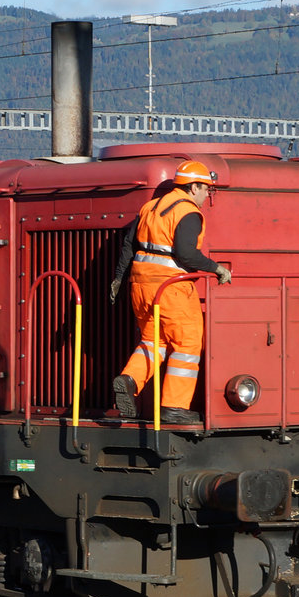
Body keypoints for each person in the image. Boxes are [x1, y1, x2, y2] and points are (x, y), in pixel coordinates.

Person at [110, 160, 232, 425]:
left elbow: (129, 245)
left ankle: (129, 379)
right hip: (170, 288)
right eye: (206, 189)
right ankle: (174, 407)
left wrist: (119, 278)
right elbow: (186, 254)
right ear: (194, 187)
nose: (207, 195)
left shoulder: (150, 207)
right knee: (187, 343)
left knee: (154, 341)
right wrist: (217, 269)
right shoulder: (188, 212)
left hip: (140, 286)